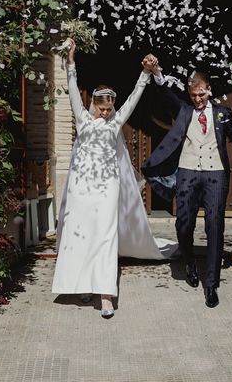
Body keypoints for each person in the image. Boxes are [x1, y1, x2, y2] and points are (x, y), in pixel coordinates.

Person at [52, 40, 176, 318]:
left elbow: (134, 97)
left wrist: (145, 75)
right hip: (82, 189)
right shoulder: (83, 121)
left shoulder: (117, 122)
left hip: (108, 187)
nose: (106, 113)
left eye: (110, 109)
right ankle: (84, 283)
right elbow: (72, 89)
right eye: (102, 108)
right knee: (82, 236)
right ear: (94, 105)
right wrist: (70, 62)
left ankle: (106, 294)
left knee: (106, 237)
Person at [142, 63, 232, 308]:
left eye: (201, 94)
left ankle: (211, 284)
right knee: (184, 224)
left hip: (216, 175)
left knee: (214, 225)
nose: (198, 99)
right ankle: (190, 263)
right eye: (193, 95)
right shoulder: (183, 111)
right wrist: (156, 72)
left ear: (209, 90)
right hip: (188, 173)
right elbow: (165, 93)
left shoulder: (223, 114)